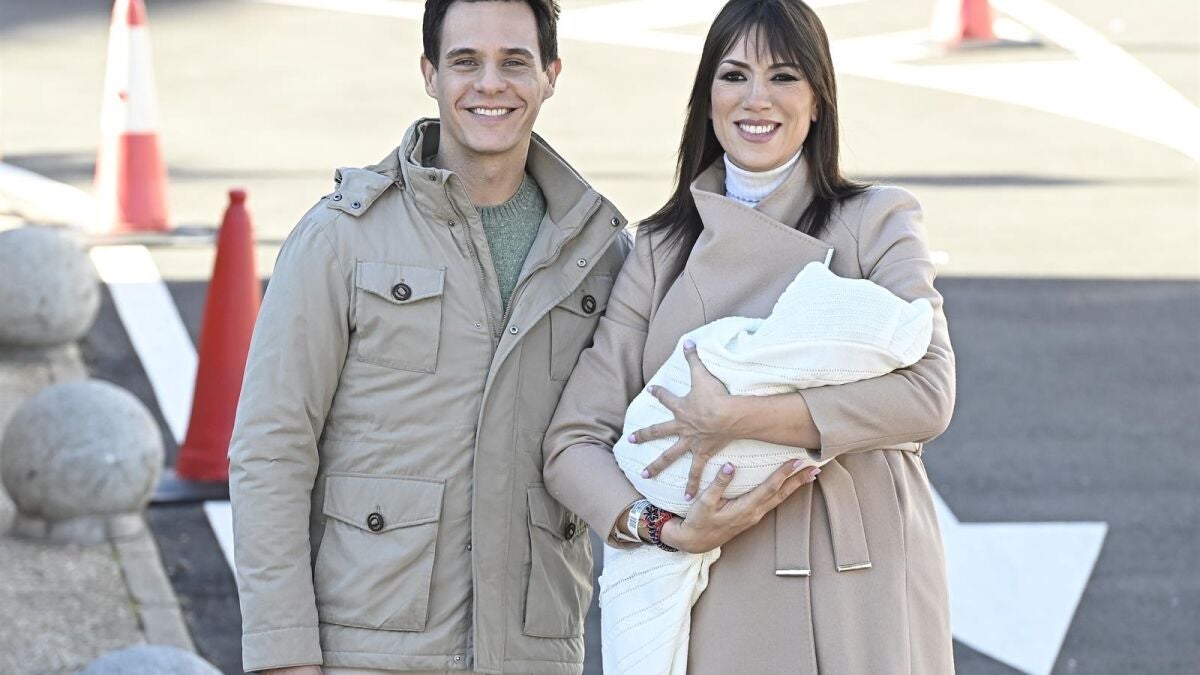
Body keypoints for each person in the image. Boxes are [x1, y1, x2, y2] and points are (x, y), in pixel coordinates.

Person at [543, 0, 957, 673]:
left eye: (784, 76)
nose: (756, 98)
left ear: (818, 100)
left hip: (863, 581)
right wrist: (663, 527)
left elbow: (929, 395)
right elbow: (571, 442)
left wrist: (739, 418)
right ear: (707, 100)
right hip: (721, 580)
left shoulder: (877, 220)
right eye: (734, 75)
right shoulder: (660, 250)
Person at [229, 1, 629, 674]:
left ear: (551, 76)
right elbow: (272, 449)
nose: (490, 84)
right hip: (366, 651)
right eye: (465, 61)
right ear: (429, 74)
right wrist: (283, 653)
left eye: (515, 62)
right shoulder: (342, 237)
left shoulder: (598, 253)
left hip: (533, 653)